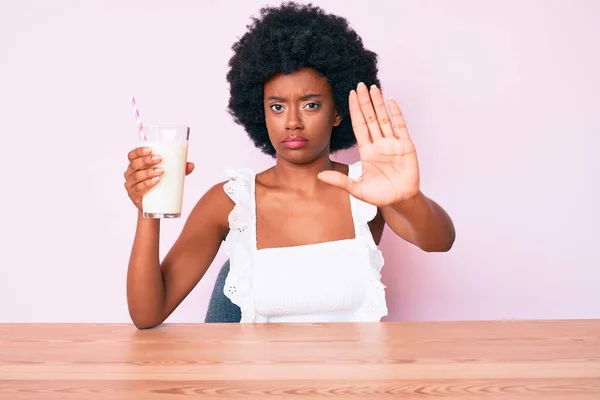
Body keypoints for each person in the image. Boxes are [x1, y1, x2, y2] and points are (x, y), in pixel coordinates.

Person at [123, 2, 455, 329]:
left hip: (354, 379)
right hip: (260, 382)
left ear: (338, 111)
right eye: (277, 106)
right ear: (260, 112)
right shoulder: (231, 201)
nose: (292, 122)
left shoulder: (367, 189)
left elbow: (439, 241)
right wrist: (148, 209)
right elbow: (147, 314)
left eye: (311, 104)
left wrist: (405, 197)